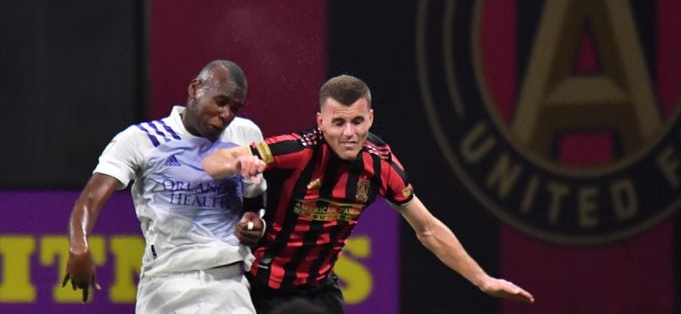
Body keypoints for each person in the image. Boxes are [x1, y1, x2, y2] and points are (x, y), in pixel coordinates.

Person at [202, 74, 535, 313]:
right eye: (339, 123)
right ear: (321, 121)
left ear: (370, 118)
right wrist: (240, 161)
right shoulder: (296, 151)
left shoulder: (381, 166)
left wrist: (483, 281)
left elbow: (428, 229)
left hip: (320, 290)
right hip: (259, 288)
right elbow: (213, 162)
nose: (349, 133)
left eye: (358, 122)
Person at [63, 59, 267, 313]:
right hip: (167, 284)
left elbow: (255, 200)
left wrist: (255, 221)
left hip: (229, 286)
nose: (226, 114)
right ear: (195, 89)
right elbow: (91, 198)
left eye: (235, 108)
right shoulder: (141, 139)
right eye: (221, 102)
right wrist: (79, 247)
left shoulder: (246, 135)